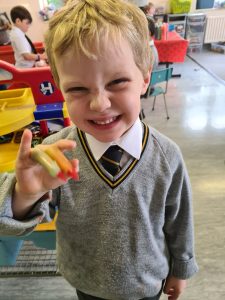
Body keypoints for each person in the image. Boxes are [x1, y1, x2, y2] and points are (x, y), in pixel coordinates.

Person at [0, 1, 198, 300]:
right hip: (85, 281)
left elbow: (179, 219)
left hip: (147, 283)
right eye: (78, 89)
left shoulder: (166, 155)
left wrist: (181, 268)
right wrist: (25, 195)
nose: (99, 104)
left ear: (144, 77)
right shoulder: (55, 152)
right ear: (60, 86)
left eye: (117, 82)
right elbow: (18, 222)